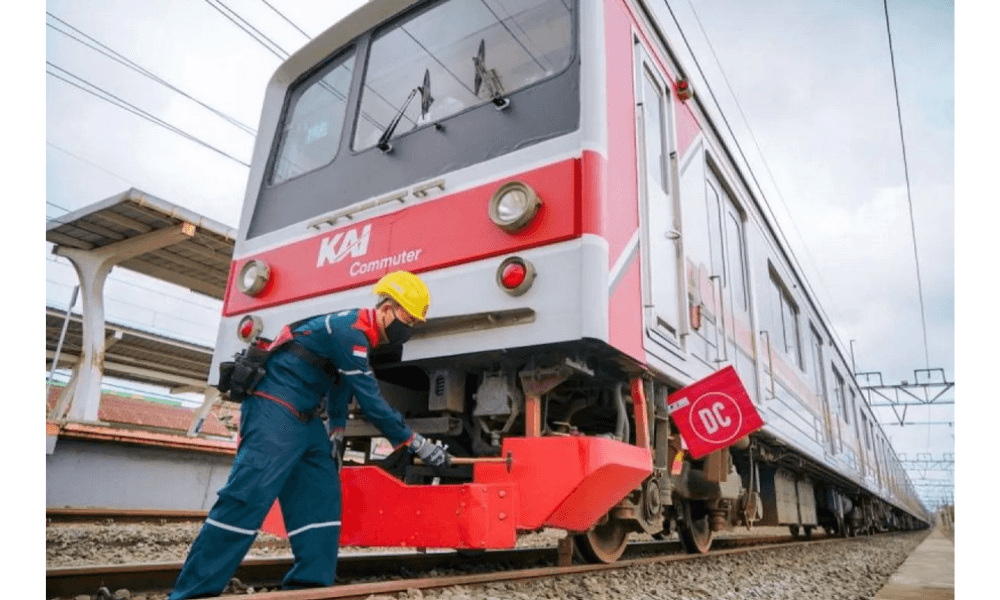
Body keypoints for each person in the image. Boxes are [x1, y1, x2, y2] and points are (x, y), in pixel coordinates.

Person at [168, 270, 452, 599]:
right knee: (247, 497)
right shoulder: (351, 331)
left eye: (415, 324)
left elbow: (340, 382)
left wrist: (336, 430)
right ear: (387, 308)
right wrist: (415, 442)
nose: (410, 328)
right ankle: (192, 593)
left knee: (322, 494)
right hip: (273, 408)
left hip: (304, 420)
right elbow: (372, 401)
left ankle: (309, 588)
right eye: (408, 319)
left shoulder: (358, 335)